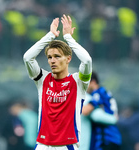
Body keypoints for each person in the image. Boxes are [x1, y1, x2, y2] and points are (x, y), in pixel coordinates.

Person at [23, 14, 92, 150]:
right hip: (42, 144)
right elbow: (27, 58)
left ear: (68, 58)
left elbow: (87, 60)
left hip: (66, 145)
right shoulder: (43, 79)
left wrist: (68, 37)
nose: (52, 61)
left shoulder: (78, 82)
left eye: (57, 56)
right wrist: (50, 35)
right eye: (49, 57)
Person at [82, 71, 122, 150]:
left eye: (85, 83)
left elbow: (85, 111)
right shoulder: (103, 92)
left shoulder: (98, 93)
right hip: (111, 138)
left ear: (93, 82)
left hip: (108, 137)